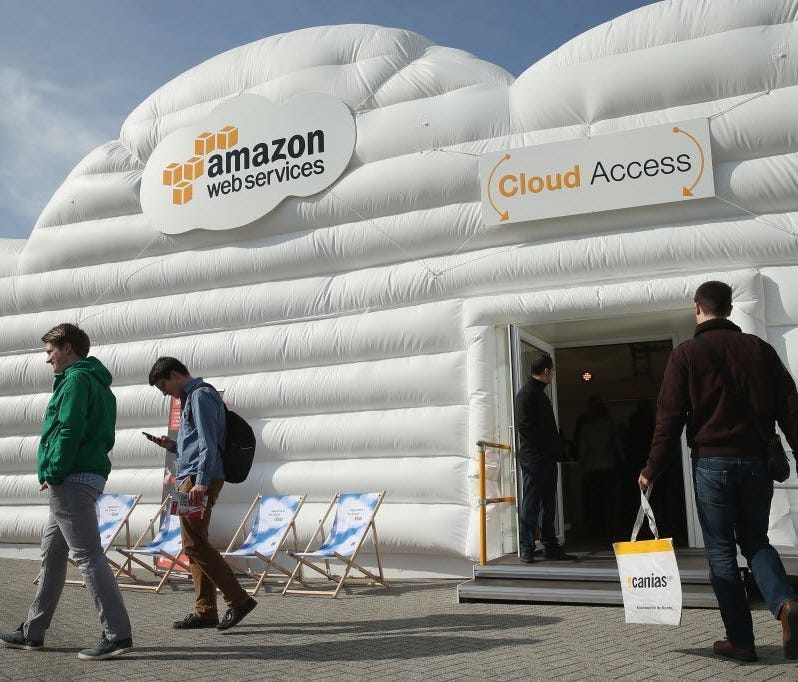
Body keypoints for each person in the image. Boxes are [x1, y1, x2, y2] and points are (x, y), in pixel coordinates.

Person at [639, 281, 798, 662]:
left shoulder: (686, 354)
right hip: (757, 463)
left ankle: (741, 641)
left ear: (698, 307)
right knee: (756, 541)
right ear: (729, 308)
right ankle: (786, 603)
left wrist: (652, 469)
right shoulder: (759, 349)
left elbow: (669, 419)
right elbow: (790, 407)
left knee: (721, 550)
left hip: (712, 464)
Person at [0, 323, 133, 660]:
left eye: (50, 351)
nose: (48, 359)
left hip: (70, 479)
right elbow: (101, 434)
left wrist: (55, 470)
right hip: (85, 476)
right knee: (52, 554)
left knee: (88, 556)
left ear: (68, 348)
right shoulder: (98, 383)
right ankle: (33, 632)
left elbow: (68, 429)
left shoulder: (75, 380)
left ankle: (117, 635)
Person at [147, 357, 256, 630]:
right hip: (193, 476)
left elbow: (209, 441)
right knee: (195, 543)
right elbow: (198, 442)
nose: (164, 393)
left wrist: (202, 482)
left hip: (197, 479)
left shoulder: (200, 396)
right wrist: (173, 446)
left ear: (174, 374)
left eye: (163, 386)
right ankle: (206, 611)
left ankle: (239, 600)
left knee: (194, 545)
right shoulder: (193, 397)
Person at [514, 352, 576, 562]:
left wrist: (555, 450)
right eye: (553, 371)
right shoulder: (527, 394)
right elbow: (524, 427)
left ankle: (549, 546)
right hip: (534, 459)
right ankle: (527, 547)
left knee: (548, 505)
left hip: (545, 458)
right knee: (532, 504)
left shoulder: (537, 394)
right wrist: (548, 448)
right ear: (547, 371)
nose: (554, 375)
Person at [574, 395, 624, 540]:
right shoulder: (609, 423)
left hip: (592, 466)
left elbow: (582, 448)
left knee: (594, 500)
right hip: (608, 464)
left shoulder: (586, 426)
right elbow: (617, 444)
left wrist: (581, 465)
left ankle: (596, 529)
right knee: (609, 499)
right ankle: (609, 527)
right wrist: (623, 460)